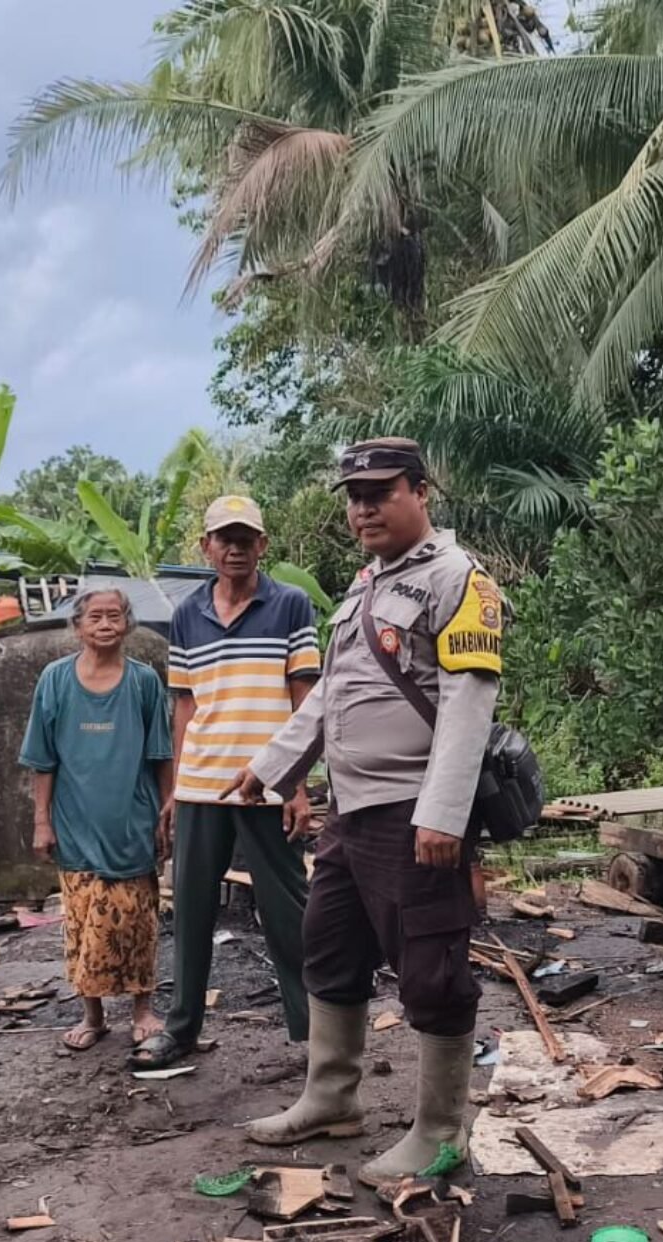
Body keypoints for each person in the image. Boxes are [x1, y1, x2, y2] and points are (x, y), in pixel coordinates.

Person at [225, 437, 503, 1186]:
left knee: (432, 972)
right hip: (352, 812)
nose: (363, 508)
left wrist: (445, 813)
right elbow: (329, 694)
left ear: (421, 491)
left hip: (417, 812)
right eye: (354, 497)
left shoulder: (458, 579)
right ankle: (332, 1098)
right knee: (330, 948)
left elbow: (467, 702)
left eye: (380, 492)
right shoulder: (365, 586)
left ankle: (441, 1131)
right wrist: (272, 768)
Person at [132, 495, 320, 1069]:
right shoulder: (188, 614)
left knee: (288, 911)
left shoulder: (291, 606)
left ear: (263, 545)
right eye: (224, 538)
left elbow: (305, 697)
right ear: (207, 548)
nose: (235, 548)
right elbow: (184, 705)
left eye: (246, 538)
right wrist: (175, 788)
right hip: (202, 786)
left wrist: (297, 782)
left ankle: (316, 1038)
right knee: (190, 913)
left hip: (267, 782)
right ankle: (181, 1030)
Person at [20, 587, 174, 1052]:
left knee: (139, 920)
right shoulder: (55, 679)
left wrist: (169, 809)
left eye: (114, 616)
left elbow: (161, 753)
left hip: (133, 820)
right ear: (78, 627)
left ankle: (143, 1009)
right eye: (95, 617)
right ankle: (93, 1016)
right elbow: (42, 759)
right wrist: (41, 822)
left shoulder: (144, 681)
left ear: (127, 624)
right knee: (82, 922)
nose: (105, 624)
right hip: (75, 824)